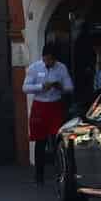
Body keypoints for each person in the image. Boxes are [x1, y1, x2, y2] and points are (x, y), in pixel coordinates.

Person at [23, 39, 76, 184]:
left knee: (57, 140)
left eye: (51, 60)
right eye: (46, 59)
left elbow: (69, 87)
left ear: (55, 58)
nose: (48, 62)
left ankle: (60, 173)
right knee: (40, 142)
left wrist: (60, 86)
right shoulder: (34, 68)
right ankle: (39, 176)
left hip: (55, 106)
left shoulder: (61, 68)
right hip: (40, 106)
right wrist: (40, 87)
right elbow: (25, 87)